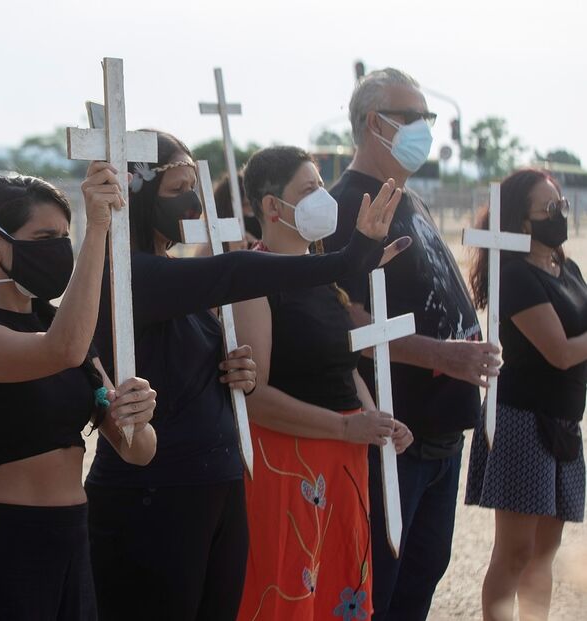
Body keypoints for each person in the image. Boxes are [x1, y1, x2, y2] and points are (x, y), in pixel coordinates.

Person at [85, 130, 406, 620]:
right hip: (156, 496)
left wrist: (233, 369)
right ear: (136, 194)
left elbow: (184, 364)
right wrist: (346, 259)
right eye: (176, 190)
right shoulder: (130, 276)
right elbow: (235, 272)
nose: (192, 201)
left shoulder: (168, 273)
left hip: (212, 486)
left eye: (193, 185)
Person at [0, 168, 158, 620]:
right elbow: (61, 350)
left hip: (73, 537)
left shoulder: (59, 325)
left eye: (65, 236)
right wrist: (97, 231)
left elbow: (137, 451)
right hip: (5, 542)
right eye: (45, 236)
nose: (59, 248)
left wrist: (138, 415)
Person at [323, 67, 501, 620]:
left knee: (419, 581)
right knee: (379, 587)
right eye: (415, 117)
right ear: (375, 124)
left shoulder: (409, 198)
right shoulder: (343, 208)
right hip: (395, 436)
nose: (425, 127)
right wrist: (441, 355)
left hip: (442, 432)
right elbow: (343, 317)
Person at [234, 146, 413, 621]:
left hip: (344, 463)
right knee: (289, 600)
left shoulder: (324, 275)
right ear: (273, 207)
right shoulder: (252, 281)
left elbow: (345, 368)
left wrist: (377, 420)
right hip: (291, 466)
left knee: (338, 596)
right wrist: (343, 427)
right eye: (310, 190)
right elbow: (254, 398)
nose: (324, 199)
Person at [465, 169, 586, 621]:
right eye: (548, 209)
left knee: (546, 551)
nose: (559, 215)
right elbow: (559, 352)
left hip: (562, 422)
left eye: (562, 205)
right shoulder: (515, 277)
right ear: (520, 221)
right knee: (515, 551)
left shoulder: (564, 267)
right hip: (522, 422)